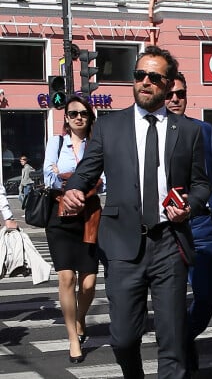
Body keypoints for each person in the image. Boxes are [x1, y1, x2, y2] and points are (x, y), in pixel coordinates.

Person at [62, 45, 211, 379]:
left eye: (154, 77)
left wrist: (189, 207)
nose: (145, 82)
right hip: (121, 245)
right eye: (139, 75)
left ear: (169, 83)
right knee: (124, 338)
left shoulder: (188, 131)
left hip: (169, 244)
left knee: (172, 341)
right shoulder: (109, 126)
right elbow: (87, 169)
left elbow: (202, 184)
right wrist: (74, 188)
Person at [165, 72, 212, 373]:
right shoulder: (148, 132)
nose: (174, 99)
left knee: (208, 295)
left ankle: (180, 342)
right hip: (165, 228)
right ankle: (180, 356)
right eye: (169, 94)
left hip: (199, 225)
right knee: (170, 301)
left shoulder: (204, 130)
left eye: (180, 94)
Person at [43, 95, 100, 364]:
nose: (78, 117)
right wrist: (76, 179)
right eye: (73, 113)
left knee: (88, 283)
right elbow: (48, 177)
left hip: (89, 216)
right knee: (67, 278)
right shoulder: (55, 143)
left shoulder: (97, 145)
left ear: (89, 118)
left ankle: (79, 317)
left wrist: (67, 176)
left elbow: (105, 180)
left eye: (83, 114)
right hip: (60, 217)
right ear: (66, 118)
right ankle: (73, 338)